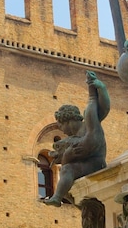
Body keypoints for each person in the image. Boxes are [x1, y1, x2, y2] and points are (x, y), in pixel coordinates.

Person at [41, 71, 112, 206]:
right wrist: (66, 157)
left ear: (68, 121)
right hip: (87, 164)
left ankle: (57, 197)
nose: (62, 131)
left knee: (67, 170)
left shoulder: (88, 123)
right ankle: (65, 198)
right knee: (67, 180)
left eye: (61, 126)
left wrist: (101, 88)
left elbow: (103, 107)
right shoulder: (74, 137)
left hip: (96, 164)